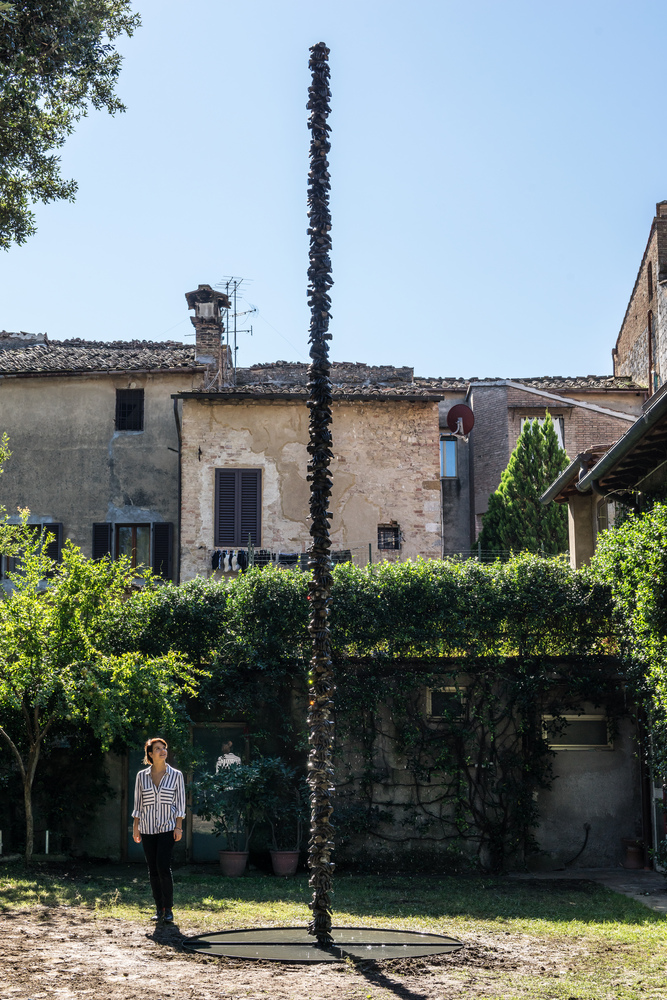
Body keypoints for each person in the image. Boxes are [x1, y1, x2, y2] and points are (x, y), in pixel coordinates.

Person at [132, 737, 186, 924]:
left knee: (163, 866)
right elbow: (138, 804)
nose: (163, 751)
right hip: (147, 828)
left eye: (164, 748)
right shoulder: (141, 776)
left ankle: (169, 909)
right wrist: (135, 827)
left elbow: (180, 803)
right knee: (152, 869)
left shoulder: (176, 775)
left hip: (167, 828)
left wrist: (179, 826)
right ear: (150, 754)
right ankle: (159, 907)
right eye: (158, 749)